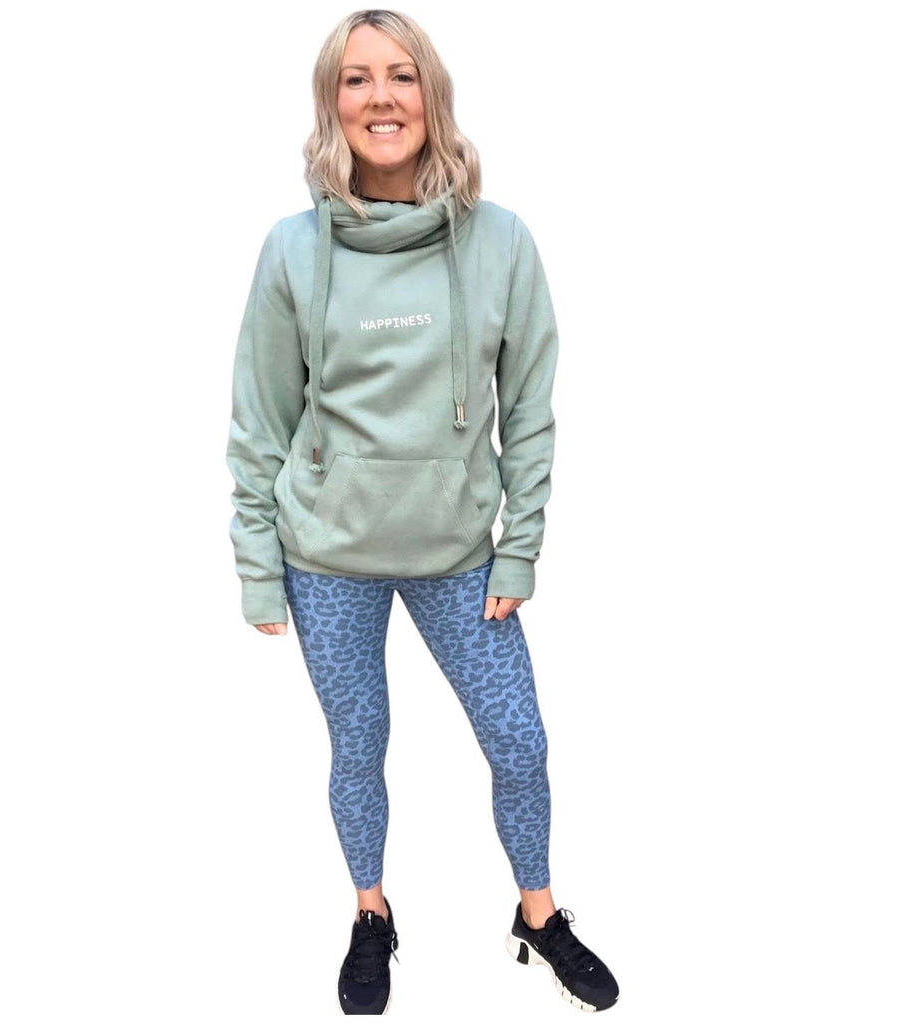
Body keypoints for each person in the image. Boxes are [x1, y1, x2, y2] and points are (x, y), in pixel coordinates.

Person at [225, 8, 619, 1015]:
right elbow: (260, 418)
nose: (381, 97)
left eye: (401, 75)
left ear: (432, 95)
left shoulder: (501, 241)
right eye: (356, 79)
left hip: (457, 556)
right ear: (332, 103)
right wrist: (258, 565)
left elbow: (529, 409)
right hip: (326, 557)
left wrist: (519, 550)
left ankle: (537, 915)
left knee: (519, 741)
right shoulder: (291, 250)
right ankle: (371, 914)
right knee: (359, 749)